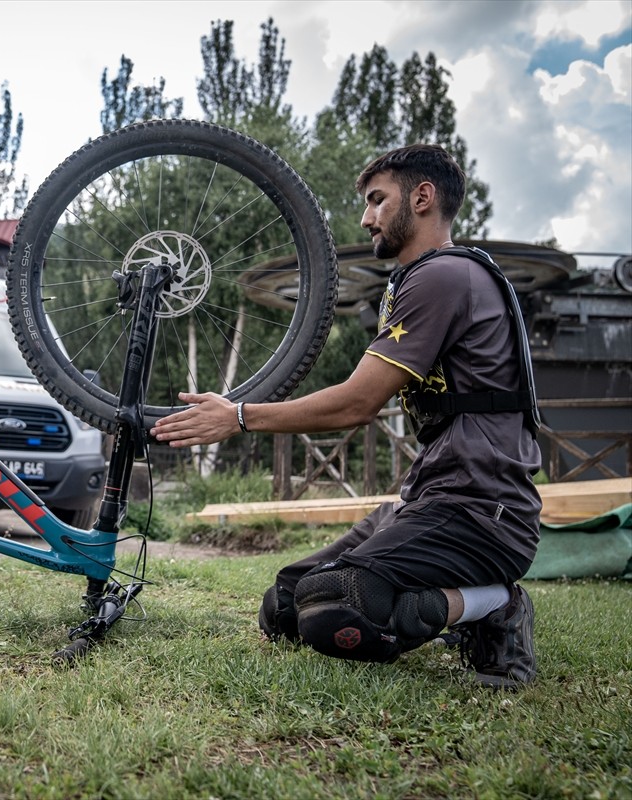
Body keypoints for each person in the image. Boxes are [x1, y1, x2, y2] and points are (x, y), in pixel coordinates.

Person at [151, 144, 541, 689]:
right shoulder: (416, 281)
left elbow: (358, 403)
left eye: (378, 200)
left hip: (483, 512)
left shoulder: (445, 276)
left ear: (422, 197)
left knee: (339, 606)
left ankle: (497, 604)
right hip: (431, 500)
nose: (366, 217)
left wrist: (238, 416)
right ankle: (449, 600)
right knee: (287, 605)